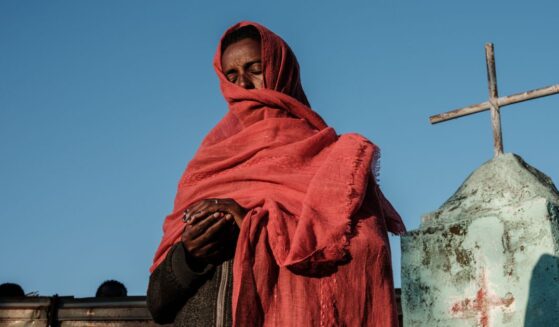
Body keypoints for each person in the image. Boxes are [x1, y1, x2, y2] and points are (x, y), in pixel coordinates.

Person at [147, 21, 405, 327]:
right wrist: (189, 256)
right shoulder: (205, 165)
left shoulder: (335, 162)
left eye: (255, 69)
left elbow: (367, 256)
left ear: (281, 71)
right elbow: (158, 304)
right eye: (231, 76)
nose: (242, 84)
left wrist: (255, 226)